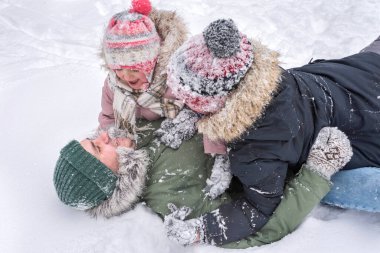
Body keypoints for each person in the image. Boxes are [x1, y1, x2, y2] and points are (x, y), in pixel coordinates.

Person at [163, 18, 380, 245]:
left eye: (185, 97)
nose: (170, 95)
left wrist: (202, 229)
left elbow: (258, 208)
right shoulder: (265, 76)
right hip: (360, 74)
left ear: (215, 101)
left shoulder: (255, 145)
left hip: (367, 132)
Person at [53, 119, 352, 249]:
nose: (103, 135)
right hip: (305, 146)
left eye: (93, 137)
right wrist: (317, 172)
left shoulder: (138, 134)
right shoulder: (170, 195)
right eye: (97, 147)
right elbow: (255, 229)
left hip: (293, 100)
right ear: (107, 178)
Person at [98, 0, 187, 133]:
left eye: (134, 69)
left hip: (172, 133)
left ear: (152, 64)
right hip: (133, 137)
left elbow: (195, 111)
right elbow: (108, 117)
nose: (126, 76)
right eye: (119, 68)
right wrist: (112, 139)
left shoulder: (173, 81)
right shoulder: (113, 85)